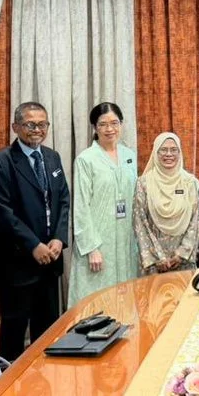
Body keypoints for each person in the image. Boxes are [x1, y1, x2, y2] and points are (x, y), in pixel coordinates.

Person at [0, 102, 70, 361]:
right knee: (14, 335)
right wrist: (33, 244)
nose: (37, 130)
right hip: (18, 264)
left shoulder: (52, 157)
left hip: (50, 262)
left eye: (42, 124)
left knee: (47, 335)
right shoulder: (0, 162)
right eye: (30, 124)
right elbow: (2, 212)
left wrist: (58, 238)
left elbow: (63, 200)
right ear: (16, 127)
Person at [69, 102, 139, 306]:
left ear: (122, 124)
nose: (110, 129)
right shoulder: (86, 159)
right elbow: (80, 207)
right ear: (94, 128)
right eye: (103, 124)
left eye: (114, 123)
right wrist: (92, 248)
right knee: (96, 303)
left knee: (126, 299)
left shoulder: (129, 156)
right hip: (99, 242)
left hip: (126, 240)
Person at [132, 132, 199, 275]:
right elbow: (140, 223)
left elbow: (195, 220)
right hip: (153, 263)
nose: (168, 154)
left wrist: (181, 254)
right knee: (153, 297)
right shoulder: (143, 183)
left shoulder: (189, 182)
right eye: (163, 149)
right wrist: (158, 257)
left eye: (173, 150)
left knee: (184, 297)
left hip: (183, 261)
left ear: (180, 152)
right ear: (155, 153)